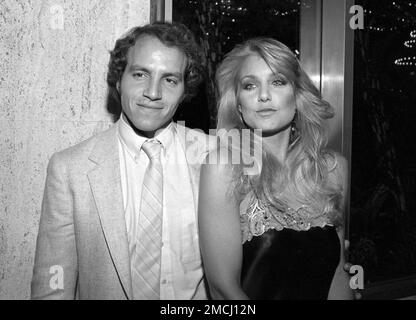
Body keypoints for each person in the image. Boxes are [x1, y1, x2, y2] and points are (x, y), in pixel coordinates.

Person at [31, 22, 214, 300]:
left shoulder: (215, 157)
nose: (153, 92)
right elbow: (54, 283)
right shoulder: (70, 169)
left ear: (184, 89)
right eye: (140, 74)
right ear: (119, 79)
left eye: (169, 79)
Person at [198, 37, 354, 299]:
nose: (263, 95)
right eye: (250, 86)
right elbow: (223, 290)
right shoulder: (224, 169)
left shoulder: (334, 170)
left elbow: (337, 273)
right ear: (238, 104)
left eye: (278, 81)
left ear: (297, 94)